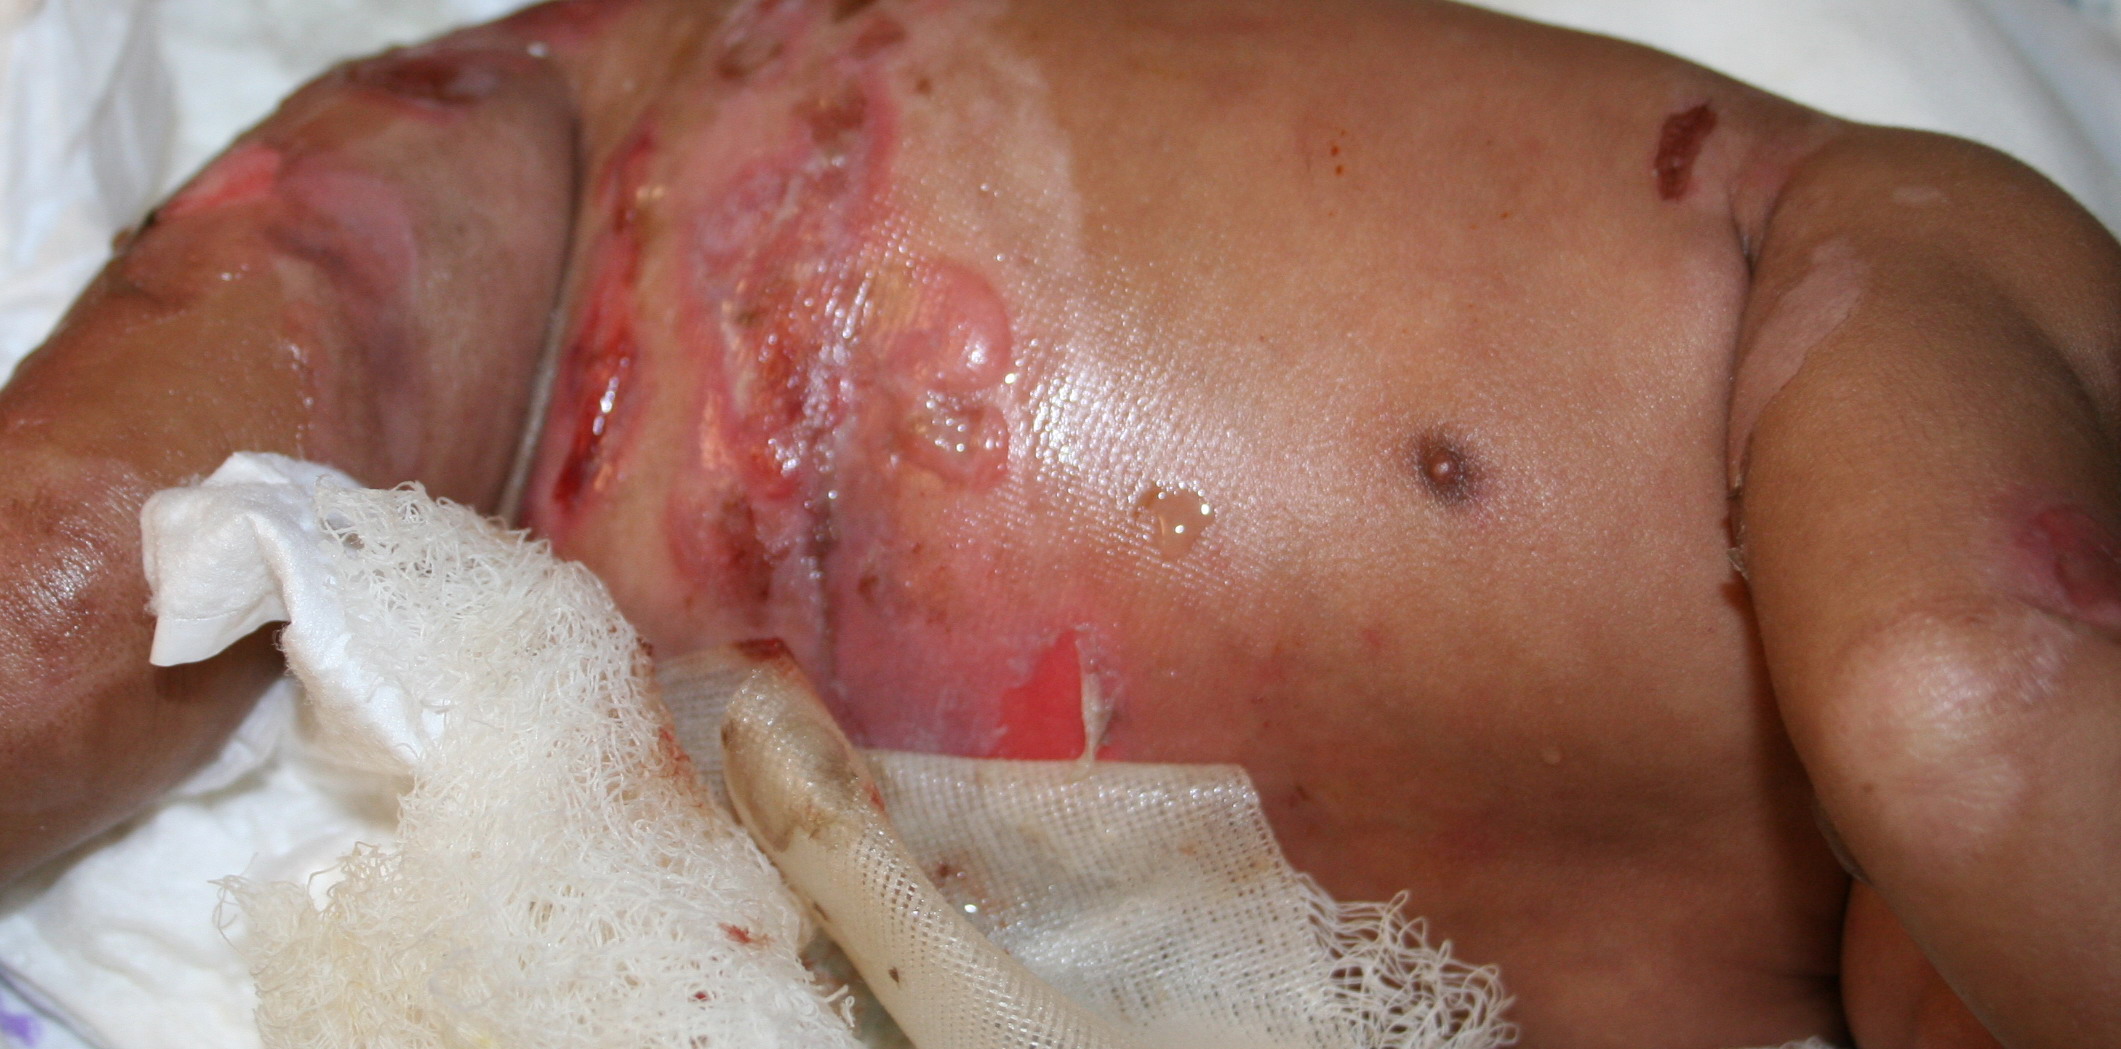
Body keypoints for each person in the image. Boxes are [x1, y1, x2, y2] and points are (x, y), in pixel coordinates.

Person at [2, 0, 2117, 1045]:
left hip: (562, 646)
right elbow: (1954, 706)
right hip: (568, 207)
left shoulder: (1747, 979)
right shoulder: (1954, 263)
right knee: (56, 608)